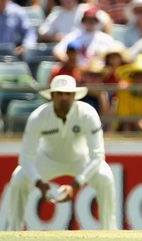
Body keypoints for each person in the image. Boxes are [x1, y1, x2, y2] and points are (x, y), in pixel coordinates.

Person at [6, 75, 117, 230]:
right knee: (18, 179)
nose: (64, 98)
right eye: (59, 93)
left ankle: (109, 231)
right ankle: (13, 231)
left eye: (68, 94)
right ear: (52, 96)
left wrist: (76, 185)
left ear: (74, 96)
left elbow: (98, 156)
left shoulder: (87, 113)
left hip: (80, 160)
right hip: (47, 160)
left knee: (105, 176)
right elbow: (25, 158)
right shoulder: (38, 117)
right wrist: (38, 182)